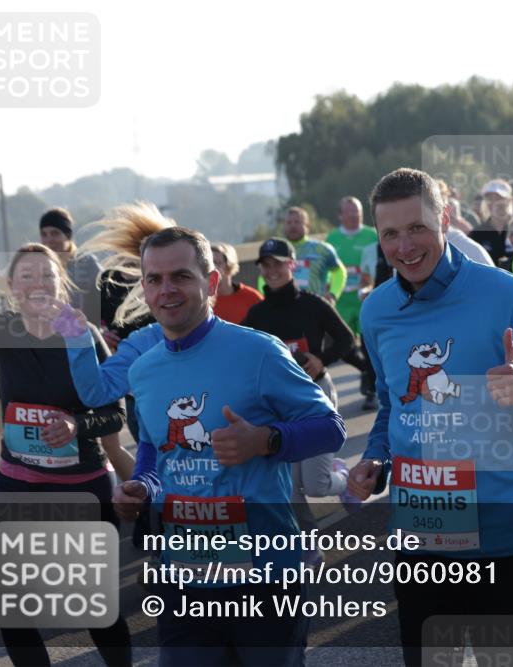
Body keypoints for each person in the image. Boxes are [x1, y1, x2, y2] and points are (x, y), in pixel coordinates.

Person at [346, 168, 513, 667]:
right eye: (389, 233)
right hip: (421, 534)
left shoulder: (505, 294)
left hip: (504, 536)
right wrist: (376, 458)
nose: (404, 246)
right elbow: (397, 405)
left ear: (444, 220)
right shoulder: (377, 312)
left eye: (416, 227)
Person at [107, 219, 345, 665]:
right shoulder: (143, 370)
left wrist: (266, 441)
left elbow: (331, 427)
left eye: (181, 276)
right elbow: (157, 448)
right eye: (154, 280)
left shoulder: (260, 352)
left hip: (265, 577)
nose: (167, 290)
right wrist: (141, 486)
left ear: (211, 280)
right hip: (183, 580)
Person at [0, 223, 131, 667]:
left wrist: (76, 426)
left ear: (61, 282)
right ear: (11, 287)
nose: (36, 283)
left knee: (93, 609)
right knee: (14, 612)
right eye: (25, 276)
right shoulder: (1, 327)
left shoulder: (81, 333)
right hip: (17, 483)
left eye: (46, 275)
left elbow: (116, 413)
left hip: (80, 484)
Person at [244, 237, 361, 545]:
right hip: (280, 406)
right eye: (266, 265)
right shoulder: (257, 315)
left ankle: (343, 479)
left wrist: (322, 358)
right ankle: (307, 545)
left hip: (317, 397)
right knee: (291, 486)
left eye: (278, 264)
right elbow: (241, 351)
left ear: (292, 266)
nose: (272, 271)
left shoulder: (312, 304)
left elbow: (347, 340)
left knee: (317, 485)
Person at [325, 196, 380, 409]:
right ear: (340, 215)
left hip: (366, 300)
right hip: (341, 301)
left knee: (369, 346)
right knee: (341, 344)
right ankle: (366, 370)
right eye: (349, 211)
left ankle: (371, 391)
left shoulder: (371, 236)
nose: (354, 215)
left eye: (357, 210)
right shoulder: (332, 239)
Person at [266, 206, 346, 302]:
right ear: (284, 225)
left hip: (315, 308)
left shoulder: (322, 249)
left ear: (307, 226)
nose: (293, 226)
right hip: (284, 307)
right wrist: (267, 297)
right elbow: (264, 276)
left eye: (297, 222)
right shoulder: (276, 250)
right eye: (289, 222)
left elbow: (339, 272)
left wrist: (333, 295)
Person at [39, 208, 103, 325]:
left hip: (84, 336)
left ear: (68, 236)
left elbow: (104, 302)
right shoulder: (38, 267)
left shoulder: (86, 264)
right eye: (44, 234)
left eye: (55, 233)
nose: (49, 240)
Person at [210, 242, 262, 324]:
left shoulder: (253, 298)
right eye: (209, 263)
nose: (212, 268)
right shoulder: (202, 302)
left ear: (229, 266)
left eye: (217, 262)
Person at [470, 178, 513, 262]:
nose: (494, 203)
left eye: (499, 198)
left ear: (509, 200)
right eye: (490, 199)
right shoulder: (477, 234)